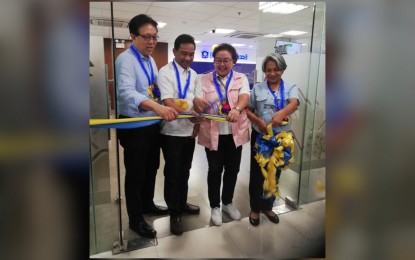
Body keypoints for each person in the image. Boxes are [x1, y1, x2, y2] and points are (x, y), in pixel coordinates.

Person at [115, 14, 178, 239]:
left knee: (152, 167)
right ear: (133, 36)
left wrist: (166, 103)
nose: (152, 42)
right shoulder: (126, 60)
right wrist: (158, 108)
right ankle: (135, 219)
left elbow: (152, 88)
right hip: (134, 127)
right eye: (147, 37)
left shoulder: (150, 60)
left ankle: (147, 203)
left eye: (155, 37)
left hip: (151, 124)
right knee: (135, 173)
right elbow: (126, 92)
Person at [193, 43, 250, 226]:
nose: (222, 64)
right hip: (213, 134)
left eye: (226, 60)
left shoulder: (241, 78)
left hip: (235, 134)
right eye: (218, 60)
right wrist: (198, 103)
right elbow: (197, 100)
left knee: (233, 170)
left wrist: (237, 108)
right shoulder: (203, 79)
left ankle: (227, 203)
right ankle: (215, 207)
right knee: (215, 171)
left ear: (233, 61)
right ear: (214, 61)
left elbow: (245, 97)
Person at [245, 53, 299, 226]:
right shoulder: (257, 88)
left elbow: (294, 103)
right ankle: (255, 208)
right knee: (256, 175)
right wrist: (258, 121)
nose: (272, 73)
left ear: (282, 69)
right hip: (260, 136)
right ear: (264, 72)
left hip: (281, 138)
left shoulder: (291, 87)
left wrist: (282, 113)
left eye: (276, 69)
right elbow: (248, 110)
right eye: (268, 70)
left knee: (274, 174)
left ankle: (268, 206)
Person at [157, 34, 201, 236]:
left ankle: (181, 204)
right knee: (173, 173)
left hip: (188, 132)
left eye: (191, 54)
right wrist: (189, 115)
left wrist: (199, 117)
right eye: (184, 53)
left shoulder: (194, 74)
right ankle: (174, 212)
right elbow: (168, 102)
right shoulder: (165, 72)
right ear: (174, 51)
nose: (188, 58)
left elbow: (195, 100)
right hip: (171, 133)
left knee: (185, 170)